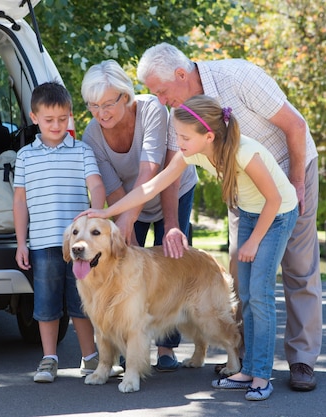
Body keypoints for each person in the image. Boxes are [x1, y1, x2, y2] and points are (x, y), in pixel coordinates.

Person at [79, 95, 298, 401]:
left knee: (260, 296)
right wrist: (105, 211)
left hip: (277, 214)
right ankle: (246, 368)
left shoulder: (245, 153)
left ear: (208, 136)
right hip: (250, 212)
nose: (177, 142)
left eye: (183, 137)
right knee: (246, 295)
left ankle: (261, 376)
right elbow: (149, 187)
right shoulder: (191, 153)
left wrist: (253, 241)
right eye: (177, 136)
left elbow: (275, 200)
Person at [136, 42, 322, 392]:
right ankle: (245, 358)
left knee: (299, 269)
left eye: (160, 91)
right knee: (241, 273)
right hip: (242, 187)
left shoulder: (239, 76)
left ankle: (302, 360)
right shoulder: (182, 110)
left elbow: (296, 126)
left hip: (291, 170)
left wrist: (296, 184)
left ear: (180, 74)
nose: (159, 100)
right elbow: (172, 169)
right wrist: (172, 224)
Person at [80, 59, 198, 371]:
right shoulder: (92, 136)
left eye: (108, 104)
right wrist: (125, 227)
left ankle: (166, 349)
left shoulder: (151, 111)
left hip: (171, 189)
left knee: (171, 267)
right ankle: (126, 344)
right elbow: (116, 190)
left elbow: (152, 171)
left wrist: (168, 224)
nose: (101, 113)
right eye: (93, 106)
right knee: (126, 268)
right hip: (128, 203)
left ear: (125, 96)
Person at [13, 81, 122, 383]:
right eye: (49, 120)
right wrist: (22, 243)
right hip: (44, 243)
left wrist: (95, 215)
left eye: (63, 119)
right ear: (34, 117)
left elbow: (97, 185)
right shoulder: (25, 156)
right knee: (46, 303)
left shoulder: (82, 150)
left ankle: (90, 358)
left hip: (81, 246)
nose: (57, 125)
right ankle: (49, 359)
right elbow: (20, 202)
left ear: (70, 116)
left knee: (82, 303)